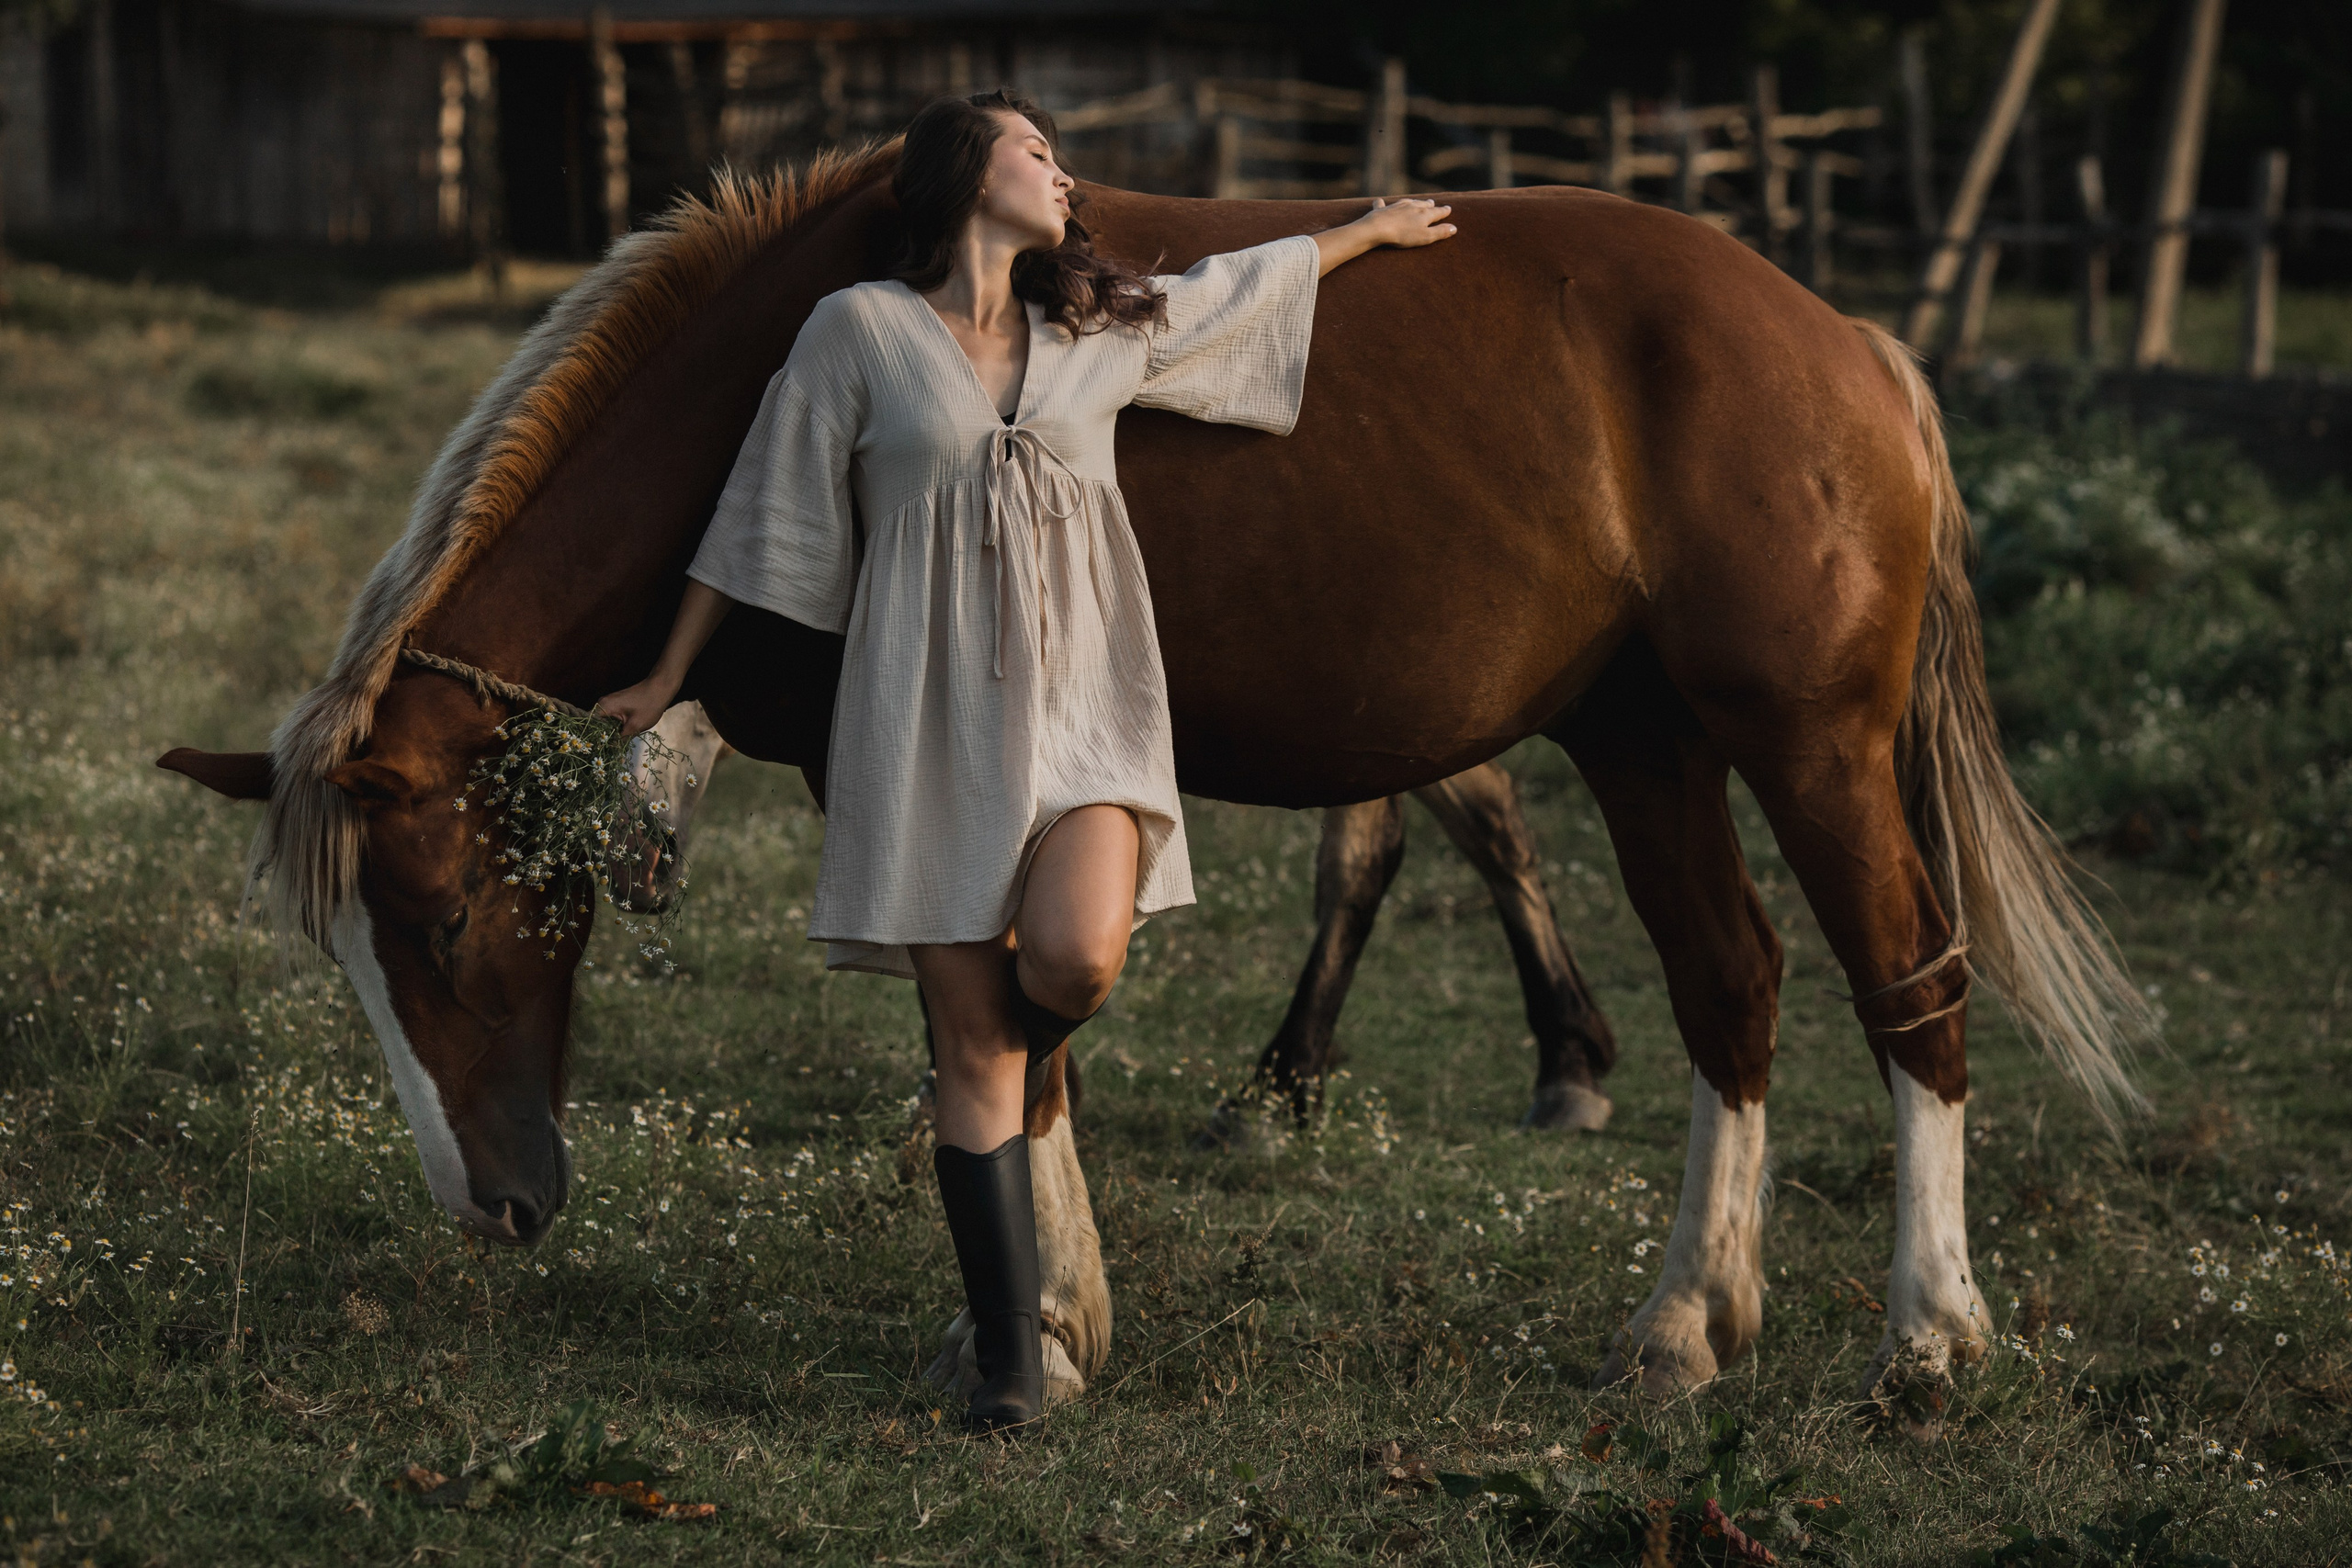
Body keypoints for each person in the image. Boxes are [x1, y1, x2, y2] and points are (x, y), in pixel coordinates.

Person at [598, 88, 1454, 1430]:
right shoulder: (859, 333)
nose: (1062, 173)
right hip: (920, 720)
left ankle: (972, 1082)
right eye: (1036, 150)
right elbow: (760, 506)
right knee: (979, 1057)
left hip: (1088, 709)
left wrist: (1367, 231)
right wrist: (664, 677)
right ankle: (1009, 1361)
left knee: (1075, 961)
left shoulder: (1096, 324)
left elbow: (1233, 294)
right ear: (963, 174)